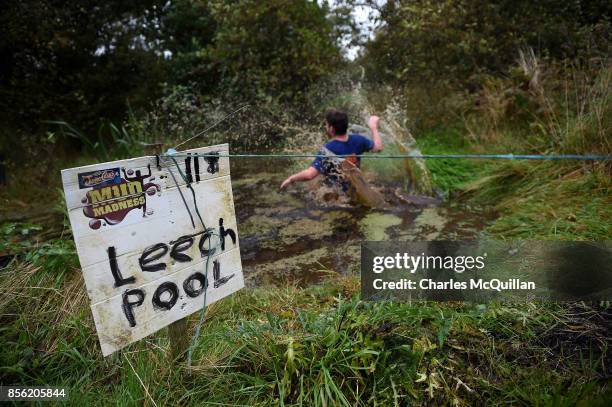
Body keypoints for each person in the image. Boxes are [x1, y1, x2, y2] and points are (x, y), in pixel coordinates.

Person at [280, 110, 383, 190]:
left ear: (331, 129)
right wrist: (373, 128)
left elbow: (310, 174)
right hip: (355, 186)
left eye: (326, 124)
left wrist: (292, 178)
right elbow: (378, 148)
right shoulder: (358, 140)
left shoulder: (327, 149)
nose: (326, 127)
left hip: (337, 192)